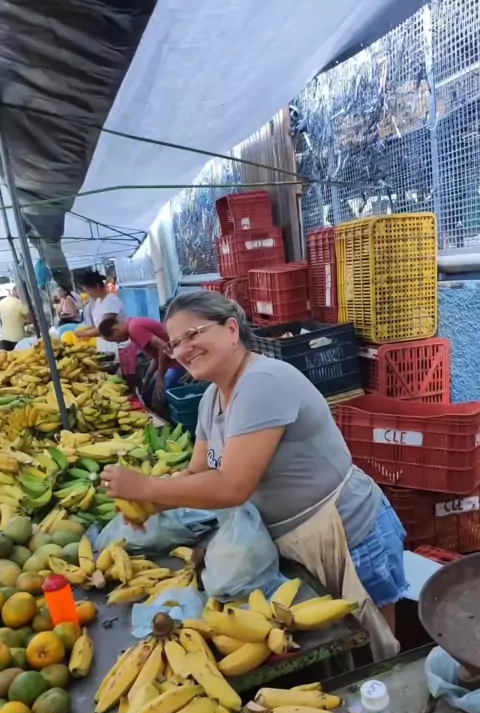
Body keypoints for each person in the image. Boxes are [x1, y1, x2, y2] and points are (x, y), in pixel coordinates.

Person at [101, 292, 406, 654]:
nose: (183, 350)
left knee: (375, 648)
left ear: (232, 330)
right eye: (175, 342)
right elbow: (197, 472)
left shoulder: (262, 382)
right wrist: (150, 505)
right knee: (341, 645)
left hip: (347, 534)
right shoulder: (212, 398)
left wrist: (147, 486)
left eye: (193, 334)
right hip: (293, 541)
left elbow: (232, 487)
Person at [98, 315, 186, 410]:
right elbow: (156, 356)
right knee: (146, 397)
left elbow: (163, 347)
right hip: (168, 364)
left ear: (115, 330)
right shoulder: (133, 326)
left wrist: (160, 377)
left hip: (177, 362)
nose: (118, 342)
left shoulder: (134, 329)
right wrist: (148, 377)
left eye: (115, 340)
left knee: (157, 401)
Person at [74, 270, 125, 355]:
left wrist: (82, 333)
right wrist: (85, 330)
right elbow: (97, 325)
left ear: (97, 286)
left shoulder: (111, 300)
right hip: (104, 345)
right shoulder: (98, 301)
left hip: (116, 345)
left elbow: (104, 328)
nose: (87, 294)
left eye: (88, 290)